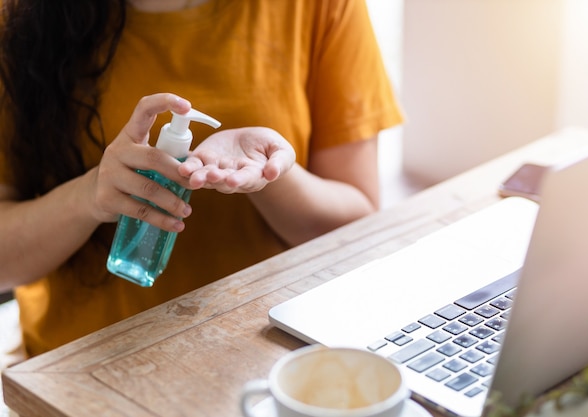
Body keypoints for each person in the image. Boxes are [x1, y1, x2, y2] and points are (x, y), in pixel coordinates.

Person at [0, 0, 403, 357]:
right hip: (82, 369)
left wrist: (269, 175)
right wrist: (91, 196)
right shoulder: (16, 17)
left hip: (270, 356)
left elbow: (358, 231)